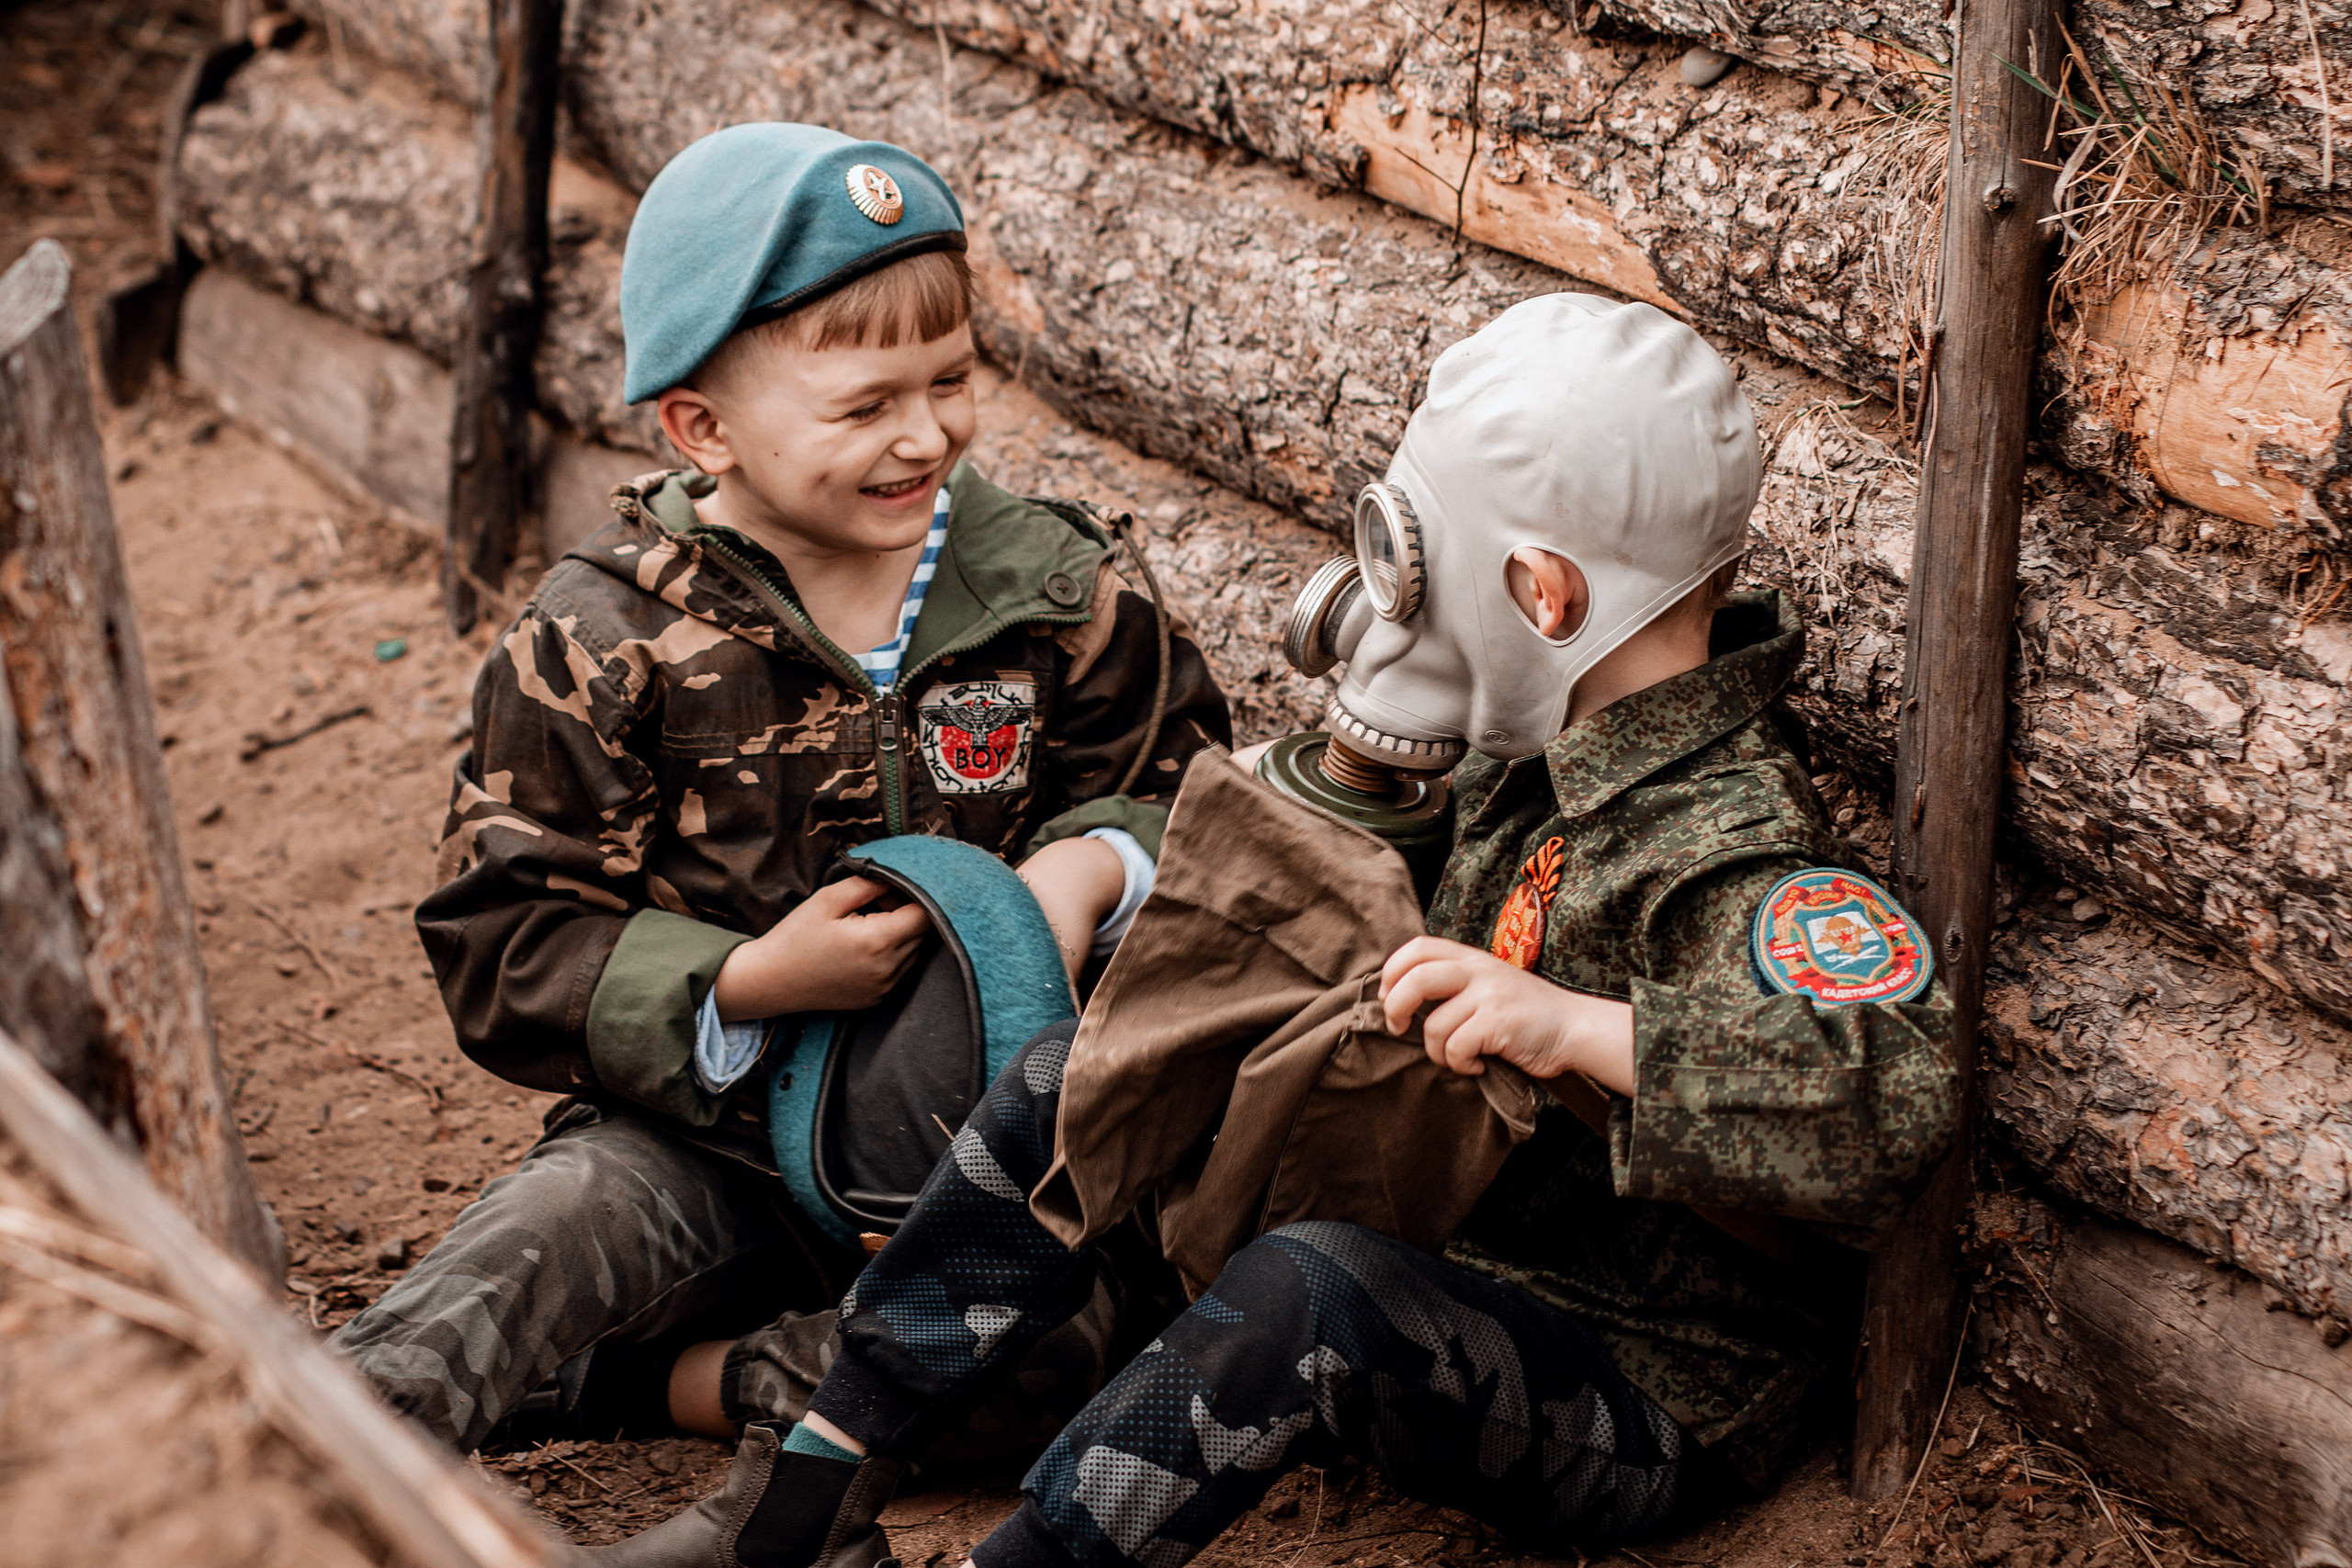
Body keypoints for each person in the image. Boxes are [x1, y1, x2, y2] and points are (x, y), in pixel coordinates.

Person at [593, 292, 1963, 1568]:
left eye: (1425, 573)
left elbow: (1896, 1092)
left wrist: (1575, 1027)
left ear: (1542, 597)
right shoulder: (1542, 746)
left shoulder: (1729, 847)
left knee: (1312, 1291)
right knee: (1087, 1078)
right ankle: (812, 1492)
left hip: (1637, 1386)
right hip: (1457, 1241)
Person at [333, 122, 1233, 1457]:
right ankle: (299, 1453)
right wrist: (750, 981)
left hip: (993, 1162)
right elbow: (504, 938)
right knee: (528, 1253)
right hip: (706, 1143)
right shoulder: (601, 638)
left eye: (951, 379)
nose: (924, 434)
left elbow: (1194, 799)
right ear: (705, 429)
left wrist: (1083, 870)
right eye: (864, 408)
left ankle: (668, 1387)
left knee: (1056, 1364)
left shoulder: (1055, 594)